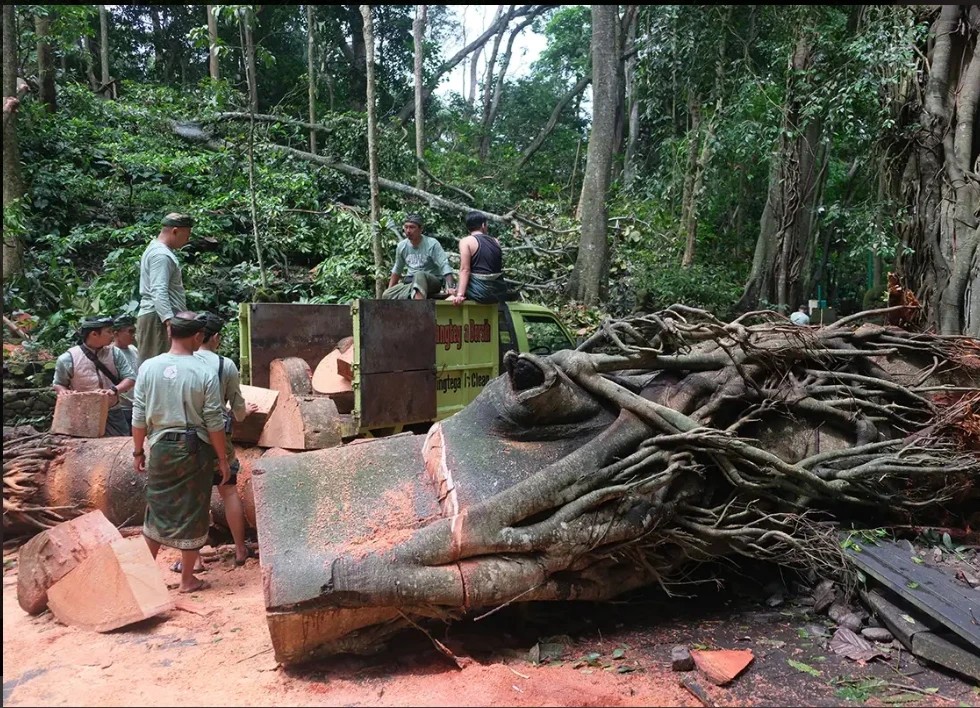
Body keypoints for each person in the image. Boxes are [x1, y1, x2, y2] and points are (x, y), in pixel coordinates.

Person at [132, 311, 231, 594]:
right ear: (198, 337)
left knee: (157, 510)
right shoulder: (203, 371)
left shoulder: (148, 368)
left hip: (160, 447)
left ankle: (143, 580)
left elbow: (138, 416)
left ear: (169, 333)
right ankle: (187, 579)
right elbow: (214, 420)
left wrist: (138, 451)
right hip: (194, 449)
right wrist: (222, 459)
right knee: (193, 510)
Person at [169, 312, 259, 574]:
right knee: (228, 491)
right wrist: (245, 411)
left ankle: (193, 559)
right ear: (215, 337)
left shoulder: (180, 362)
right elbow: (239, 411)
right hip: (219, 436)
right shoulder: (225, 365)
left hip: (186, 439)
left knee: (193, 497)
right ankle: (241, 549)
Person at [52, 315, 137, 437]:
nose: (112, 335)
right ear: (94, 334)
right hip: (84, 413)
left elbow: (130, 378)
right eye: (108, 332)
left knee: (120, 444)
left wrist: (114, 390)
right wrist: (64, 392)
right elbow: (59, 384)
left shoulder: (115, 353)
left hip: (113, 411)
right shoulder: (67, 358)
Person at [136, 212, 193, 368]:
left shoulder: (158, 250)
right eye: (186, 235)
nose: (187, 240)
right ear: (175, 231)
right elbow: (158, 290)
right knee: (157, 367)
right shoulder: (161, 255)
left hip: (159, 317)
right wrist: (168, 321)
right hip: (158, 319)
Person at [382, 213, 456, 300]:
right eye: (406, 227)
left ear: (421, 229)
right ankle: (414, 294)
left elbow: (444, 264)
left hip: (431, 282)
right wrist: (390, 290)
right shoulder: (402, 246)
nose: (408, 231)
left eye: (412, 227)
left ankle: (419, 309)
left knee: (419, 275)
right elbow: (397, 269)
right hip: (411, 283)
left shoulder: (432, 244)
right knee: (386, 295)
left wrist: (451, 287)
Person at [451, 211, 507, 305]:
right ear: (483, 225)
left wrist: (460, 294)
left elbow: (465, 270)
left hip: (480, 292)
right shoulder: (495, 241)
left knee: (451, 296)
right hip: (498, 291)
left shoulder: (466, 241)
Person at [111, 314, 140, 425]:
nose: (133, 335)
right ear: (116, 334)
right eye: (130, 332)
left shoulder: (133, 349)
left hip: (136, 404)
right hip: (122, 406)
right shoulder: (110, 353)